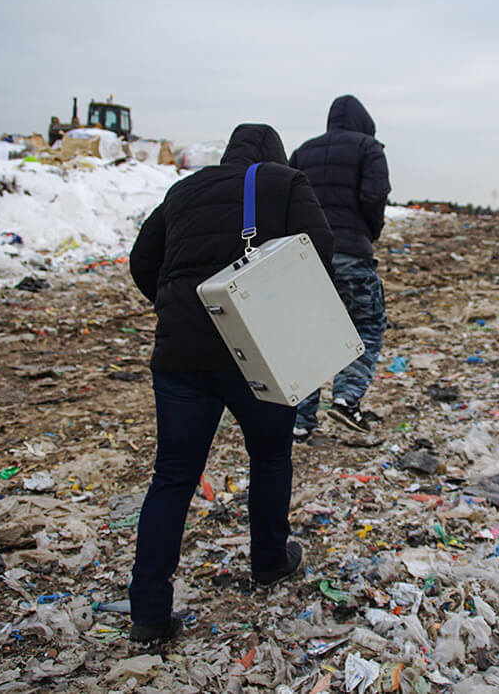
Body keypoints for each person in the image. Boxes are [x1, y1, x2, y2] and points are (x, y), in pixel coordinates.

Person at [127, 123, 333, 647]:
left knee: (172, 476)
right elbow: (320, 250)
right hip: (257, 352)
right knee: (268, 458)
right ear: (274, 156)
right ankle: (268, 561)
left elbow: (141, 261)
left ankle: (148, 612)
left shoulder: (184, 189)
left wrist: (178, 307)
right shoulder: (284, 182)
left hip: (179, 355)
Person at [290, 95, 391, 439]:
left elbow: (290, 200)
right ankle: (347, 399)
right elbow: (375, 195)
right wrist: (368, 232)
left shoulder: (304, 151)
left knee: (310, 333)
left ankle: (300, 421)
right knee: (368, 323)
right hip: (351, 252)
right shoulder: (369, 148)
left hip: (307, 258)